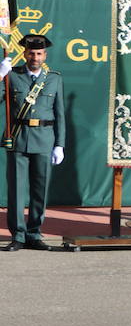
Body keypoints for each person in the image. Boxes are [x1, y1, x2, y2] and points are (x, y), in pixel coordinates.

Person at [2, 34, 66, 251]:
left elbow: (60, 114)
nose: (35, 57)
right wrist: (0, 75)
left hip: (44, 139)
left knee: (40, 190)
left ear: (45, 55)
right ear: (25, 53)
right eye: (31, 53)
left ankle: (34, 233)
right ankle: (18, 235)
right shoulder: (12, 76)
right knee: (17, 191)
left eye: (39, 53)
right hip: (18, 138)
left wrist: (60, 144)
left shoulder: (54, 78)